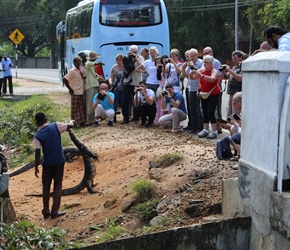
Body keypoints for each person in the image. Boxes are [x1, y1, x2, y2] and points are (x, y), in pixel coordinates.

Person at [33, 112, 74, 219]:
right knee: (57, 186)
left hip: (47, 164)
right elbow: (69, 126)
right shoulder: (56, 126)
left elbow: (37, 152)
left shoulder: (37, 136)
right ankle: (54, 212)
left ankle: (46, 211)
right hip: (59, 161)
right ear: (46, 120)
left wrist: (37, 166)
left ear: (36, 123)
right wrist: (71, 122)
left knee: (46, 187)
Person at [190, 55, 221, 139]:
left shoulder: (214, 70)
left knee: (211, 111)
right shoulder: (202, 70)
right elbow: (193, 78)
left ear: (211, 63)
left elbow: (212, 79)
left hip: (213, 93)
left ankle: (214, 130)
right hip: (204, 93)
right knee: (204, 111)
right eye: (204, 62)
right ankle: (205, 129)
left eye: (207, 62)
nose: (205, 64)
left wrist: (202, 76)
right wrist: (191, 73)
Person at [181, 48, 203, 134]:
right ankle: (193, 127)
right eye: (190, 56)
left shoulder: (201, 63)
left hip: (198, 88)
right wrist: (183, 68)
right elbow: (186, 75)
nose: (192, 58)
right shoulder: (189, 64)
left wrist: (193, 67)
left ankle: (200, 128)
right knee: (192, 109)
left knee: (199, 110)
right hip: (190, 88)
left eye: (193, 56)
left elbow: (200, 74)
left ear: (197, 55)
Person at [121, 45, 144, 124]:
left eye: (135, 52)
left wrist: (136, 58)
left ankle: (136, 118)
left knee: (136, 101)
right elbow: (124, 67)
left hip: (136, 82)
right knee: (125, 101)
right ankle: (126, 118)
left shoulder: (140, 58)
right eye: (132, 52)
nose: (133, 53)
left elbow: (143, 67)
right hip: (127, 82)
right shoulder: (127, 58)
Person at [203, 47, 223, 134]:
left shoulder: (216, 63)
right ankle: (207, 129)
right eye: (204, 53)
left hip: (214, 91)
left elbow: (218, 77)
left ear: (211, 52)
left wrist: (216, 88)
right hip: (205, 91)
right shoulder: (203, 66)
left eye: (207, 52)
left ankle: (218, 128)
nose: (205, 54)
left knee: (215, 111)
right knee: (206, 111)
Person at [63, 56, 86, 126]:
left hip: (81, 91)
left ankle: (81, 122)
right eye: (77, 62)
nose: (78, 63)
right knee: (74, 109)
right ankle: (73, 123)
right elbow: (65, 79)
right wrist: (70, 89)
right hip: (75, 91)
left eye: (79, 61)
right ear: (74, 63)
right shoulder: (72, 71)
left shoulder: (81, 69)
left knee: (81, 107)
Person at [221, 50, 243, 118]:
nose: (234, 60)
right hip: (231, 94)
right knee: (229, 113)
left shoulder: (242, 67)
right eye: (233, 59)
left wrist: (230, 70)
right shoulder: (234, 67)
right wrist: (223, 70)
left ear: (241, 58)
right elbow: (226, 77)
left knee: (235, 113)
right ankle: (230, 126)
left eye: (235, 59)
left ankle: (235, 127)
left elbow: (240, 79)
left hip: (237, 94)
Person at [86, 51, 102, 124]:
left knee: (95, 100)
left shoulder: (92, 65)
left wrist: (97, 76)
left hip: (95, 83)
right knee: (90, 101)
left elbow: (93, 72)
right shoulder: (89, 63)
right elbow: (90, 64)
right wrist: (97, 64)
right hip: (90, 84)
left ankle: (95, 117)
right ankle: (90, 119)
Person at [109, 53, 125, 122]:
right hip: (116, 87)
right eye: (117, 60)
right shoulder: (114, 67)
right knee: (115, 103)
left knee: (123, 103)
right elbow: (111, 77)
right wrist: (111, 82)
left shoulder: (125, 67)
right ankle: (113, 118)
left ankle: (125, 117)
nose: (119, 61)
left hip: (123, 87)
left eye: (120, 60)